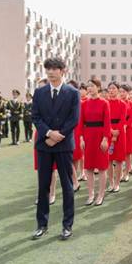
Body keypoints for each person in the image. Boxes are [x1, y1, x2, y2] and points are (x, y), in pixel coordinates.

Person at [31, 57, 80, 241]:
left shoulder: (72, 93)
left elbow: (74, 119)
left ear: (62, 71)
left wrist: (59, 135)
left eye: (54, 69)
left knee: (67, 186)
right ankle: (41, 225)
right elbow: (35, 117)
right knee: (43, 185)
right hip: (44, 144)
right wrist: (49, 133)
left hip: (64, 144)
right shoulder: (39, 92)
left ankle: (67, 226)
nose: (51, 72)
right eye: (48, 69)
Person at [76, 78, 111, 206]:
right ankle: (91, 194)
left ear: (98, 87)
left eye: (92, 86)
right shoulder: (84, 104)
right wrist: (81, 138)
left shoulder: (104, 103)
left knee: (102, 167)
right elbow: (80, 123)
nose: (89, 88)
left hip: (100, 136)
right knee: (89, 167)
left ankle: (101, 194)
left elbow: (107, 123)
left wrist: (105, 139)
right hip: (88, 136)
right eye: (88, 86)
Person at [106, 81, 127, 193]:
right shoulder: (105, 103)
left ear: (118, 90)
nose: (111, 90)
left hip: (120, 133)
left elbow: (123, 119)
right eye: (110, 88)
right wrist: (110, 130)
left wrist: (116, 131)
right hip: (107, 131)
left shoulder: (123, 104)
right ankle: (111, 182)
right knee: (108, 159)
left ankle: (117, 183)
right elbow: (105, 119)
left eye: (114, 88)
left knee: (119, 160)